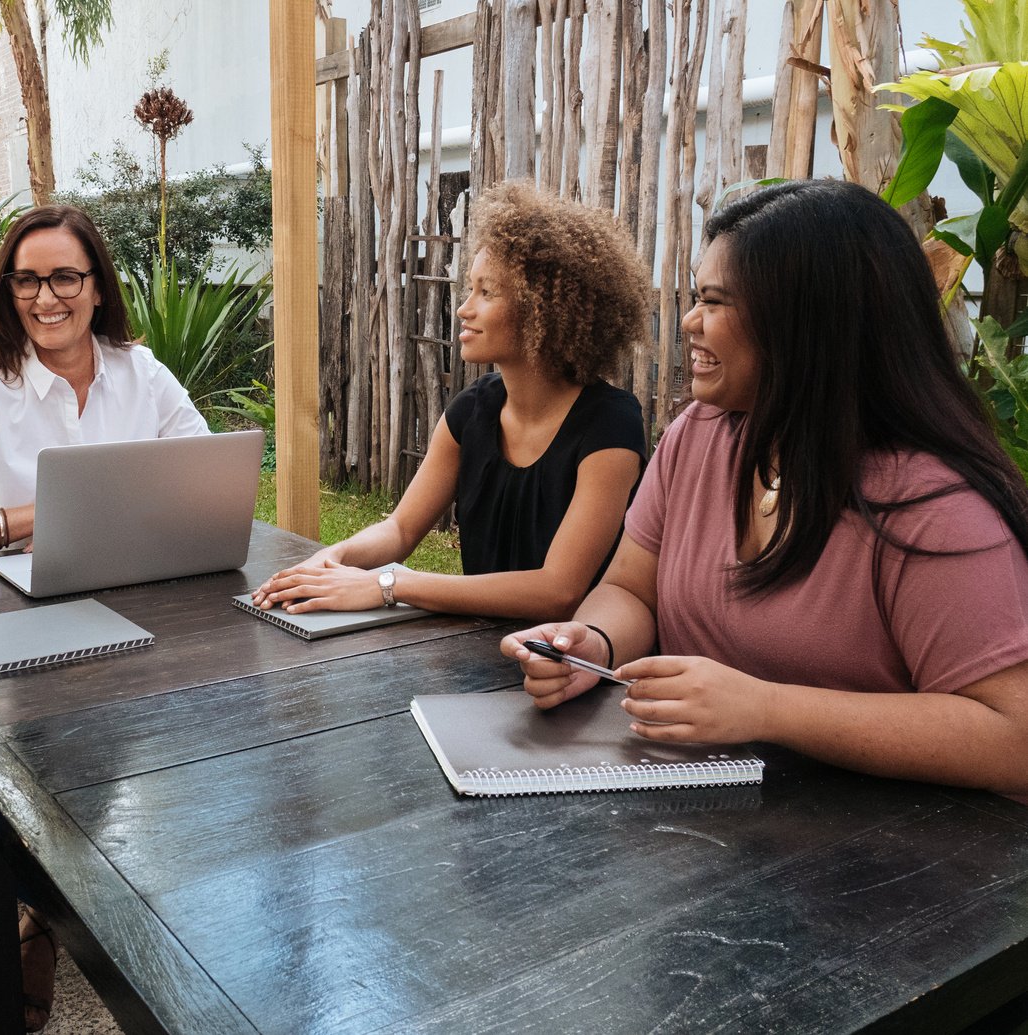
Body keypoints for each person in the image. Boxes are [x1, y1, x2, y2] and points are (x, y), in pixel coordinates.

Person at [502, 179, 1028, 798]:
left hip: (874, 868)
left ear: (804, 322)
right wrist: (592, 643)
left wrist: (766, 710)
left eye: (715, 301)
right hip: (698, 833)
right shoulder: (697, 437)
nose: (690, 321)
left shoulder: (932, 508)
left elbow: (1013, 737)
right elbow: (629, 588)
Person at [252, 181, 649, 620]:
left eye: (487, 292)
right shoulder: (472, 410)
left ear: (544, 310)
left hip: (571, 665)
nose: (464, 308)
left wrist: (390, 584)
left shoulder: (610, 426)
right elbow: (400, 529)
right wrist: (330, 562)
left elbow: (558, 590)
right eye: (470, 288)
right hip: (475, 651)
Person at [0, 205, 208, 563]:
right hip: (24, 595)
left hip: (138, 575)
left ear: (99, 289)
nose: (45, 299)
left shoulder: (144, 374)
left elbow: (209, 488)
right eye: (27, 280)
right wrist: (44, 516)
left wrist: (105, 521)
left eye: (64, 277)